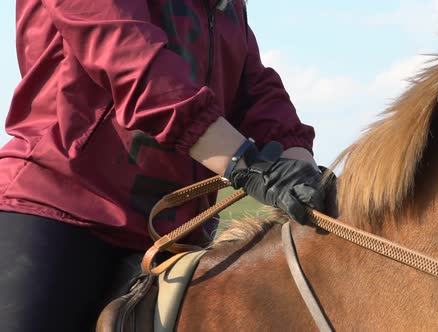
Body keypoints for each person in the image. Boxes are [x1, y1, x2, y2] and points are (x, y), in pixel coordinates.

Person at [0, 0, 328, 331]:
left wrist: (300, 164)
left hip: (175, 232)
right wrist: (242, 162)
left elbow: (253, 86)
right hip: (60, 205)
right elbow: (133, 62)